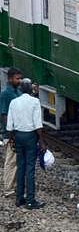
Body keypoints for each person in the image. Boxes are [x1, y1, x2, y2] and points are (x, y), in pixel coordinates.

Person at [6, 78, 43, 209]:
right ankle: (31, 200)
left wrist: (12, 139)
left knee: (20, 167)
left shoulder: (14, 102)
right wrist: (42, 141)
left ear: (21, 89)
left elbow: (9, 125)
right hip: (30, 136)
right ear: (31, 89)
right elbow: (38, 124)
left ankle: (19, 198)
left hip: (18, 136)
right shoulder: (35, 102)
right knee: (30, 168)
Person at [0, 68, 23, 197]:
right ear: (10, 79)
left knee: (16, 161)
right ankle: (8, 187)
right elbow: (3, 115)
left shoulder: (18, 92)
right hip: (10, 134)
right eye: (17, 78)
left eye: (20, 78)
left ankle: (13, 185)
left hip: (17, 132)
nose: (19, 81)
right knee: (11, 161)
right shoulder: (5, 94)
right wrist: (9, 133)